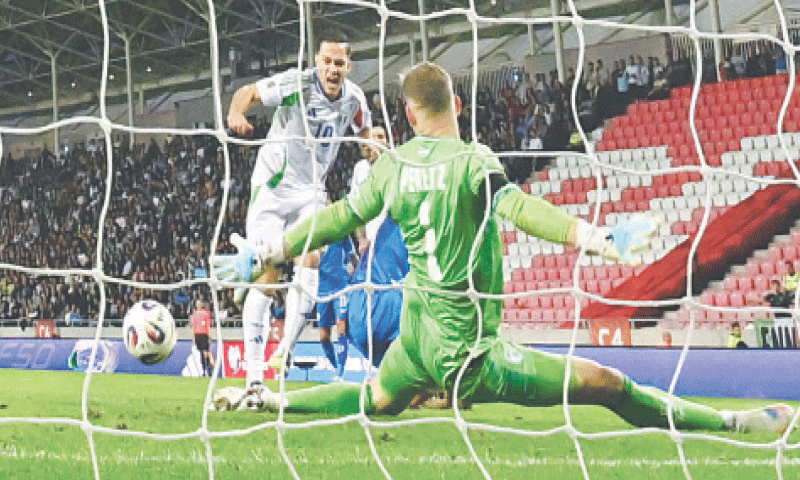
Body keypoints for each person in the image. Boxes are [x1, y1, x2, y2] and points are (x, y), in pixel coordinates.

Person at [215, 62, 793, 434]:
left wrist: (267, 252)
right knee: (608, 386)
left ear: (411, 115)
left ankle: (270, 402)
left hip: (413, 345)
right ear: (457, 106)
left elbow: (339, 217)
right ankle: (730, 423)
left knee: (376, 396)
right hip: (472, 355)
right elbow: (517, 207)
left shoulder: (389, 167)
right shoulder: (474, 161)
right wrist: (594, 237)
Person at [226, 30, 372, 390]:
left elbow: (364, 126)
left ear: (348, 66)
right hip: (273, 189)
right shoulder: (297, 84)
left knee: (312, 259)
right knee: (269, 274)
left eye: (339, 63)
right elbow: (250, 92)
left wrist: (370, 142)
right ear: (318, 63)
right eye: (327, 61)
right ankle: (255, 378)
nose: (333, 69)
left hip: (310, 190)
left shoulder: (354, 98)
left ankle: (286, 350)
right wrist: (236, 112)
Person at [191, 299, 214, 376]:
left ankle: (209, 367)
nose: (198, 305)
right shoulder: (194, 314)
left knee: (206, 352)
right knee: (201, 352)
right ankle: (204, 370)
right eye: (197, 304)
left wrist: (210, 334)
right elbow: (194, 326)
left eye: (199, 304)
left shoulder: (206, 313)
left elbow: (208, 324)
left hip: (204, 334)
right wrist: (194, 337)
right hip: (198, 334)